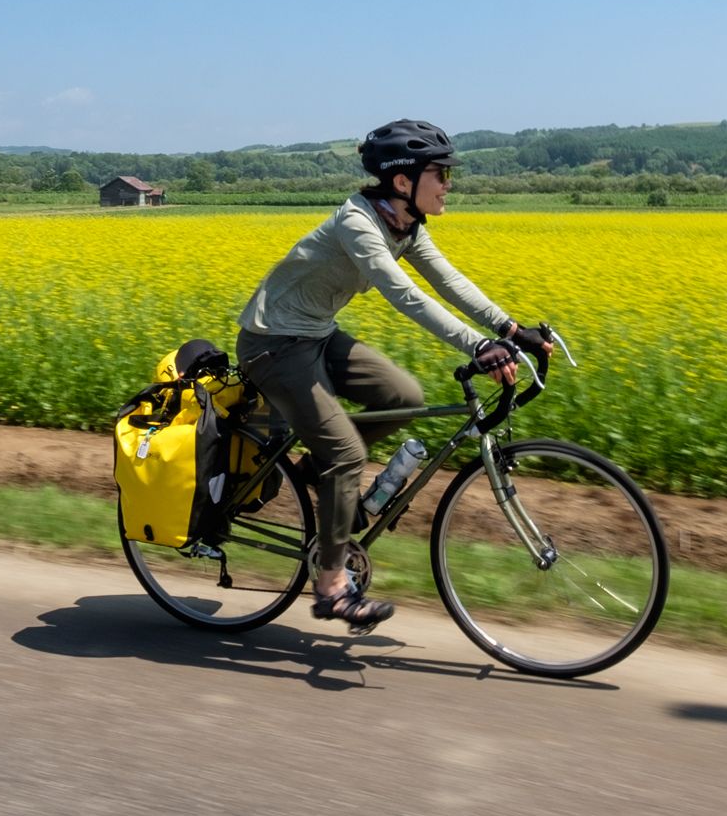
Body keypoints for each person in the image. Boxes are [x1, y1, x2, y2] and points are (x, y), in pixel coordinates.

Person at [235, 118, 551, 630]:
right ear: (403, 181)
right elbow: (403, 293)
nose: (449, 185)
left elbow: (447, 280)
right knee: (347, 454)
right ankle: (332, 585)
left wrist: (510, 329)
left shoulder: (404, 223)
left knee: (403, 395)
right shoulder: (358, 223)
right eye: (440, 175)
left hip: (314, 334)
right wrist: (478, 345)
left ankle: (318, 473)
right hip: (273, 344)